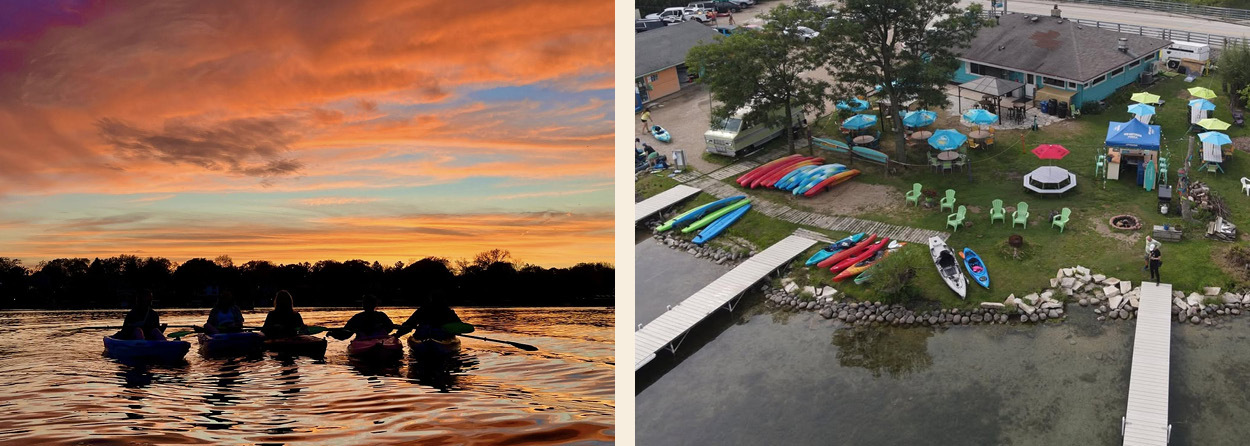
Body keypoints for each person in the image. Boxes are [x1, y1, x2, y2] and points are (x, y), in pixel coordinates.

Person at [395, 292, 465, 341]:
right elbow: (409, 324)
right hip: (431, 335)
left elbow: (409, 324)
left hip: (426, 335)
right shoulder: (447, 311)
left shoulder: (422, 310)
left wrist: (397, 335)